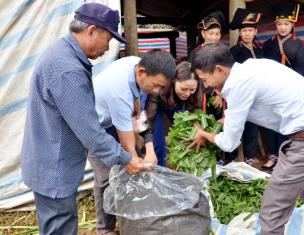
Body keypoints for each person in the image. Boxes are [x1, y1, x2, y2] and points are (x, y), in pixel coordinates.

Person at [20, 3, 151, 234]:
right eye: (108, 39)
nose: (107, 47)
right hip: (54, 168)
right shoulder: (68, 68)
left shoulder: (61, 52)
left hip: (47, 159)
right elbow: (90, 132)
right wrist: (126, 158)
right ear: (91, 30)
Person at [190, 43, 304, 235]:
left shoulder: (237, 85)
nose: (206, 85)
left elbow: (229, 144)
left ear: (219, 69)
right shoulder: (254, 66)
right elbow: (256, 108)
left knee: (271, 214)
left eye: (205, 78)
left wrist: (206, 134)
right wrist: (227, 119)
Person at [89, 49, 176, 235]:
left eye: (162, 87)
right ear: (141, 73)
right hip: (95, 127)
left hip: (116, 120)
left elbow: (139, 116)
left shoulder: (137, 64)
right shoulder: (119, 91)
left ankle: (132, 219)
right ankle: (105, 229)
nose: (157, 91)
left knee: (132, 166)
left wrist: (150, 149)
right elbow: (128, 149)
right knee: (106, 177)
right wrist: (135, 160)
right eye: (156, 86)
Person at [262, 3, 304, 171]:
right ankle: (272, 156)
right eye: (280, 24)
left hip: (289, 91)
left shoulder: (298, 44)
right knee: (271, 123)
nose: (283, 27)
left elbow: (300, 70)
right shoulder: (268, 44)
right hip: (271, 91)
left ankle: (284, 157)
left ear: (292, 24)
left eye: (286, 24)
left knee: (286, 124)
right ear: (276, 25)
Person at [145, 61, 202, 166]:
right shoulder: (158, 88)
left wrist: (197, 130)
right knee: (157, 142)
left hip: (174, 103)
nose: (187, 93)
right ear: (174, 81)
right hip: (156, 105)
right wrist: (148, 144)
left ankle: (188, 165)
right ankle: (159, 172)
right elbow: (149, 119)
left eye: (192, 90)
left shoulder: (195, 91)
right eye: (184, 88)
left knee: (188, 133)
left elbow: (193, 115)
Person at [227, 8, 263, 165]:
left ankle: (249, 158)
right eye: (244, 31)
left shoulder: (260, 50)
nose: (247, 34)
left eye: (250, 30)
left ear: (256, 31)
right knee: (235, 127)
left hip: (257, 96)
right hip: (239, 96)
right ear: (239, 33)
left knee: (252, 127)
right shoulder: (234, 52)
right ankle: (231, 159)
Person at [192, 11, 226, 119]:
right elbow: (194, 78)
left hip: (222, 99)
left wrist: (221, 95)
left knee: (220, 130)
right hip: (201, 98)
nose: (214, 37)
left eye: (217, 33)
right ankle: (148, 137)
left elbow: (227, 75)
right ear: (203, 34)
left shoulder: (224, 52)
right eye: (211, 33)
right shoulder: (195, 53)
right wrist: (214, 91)